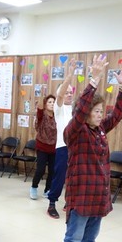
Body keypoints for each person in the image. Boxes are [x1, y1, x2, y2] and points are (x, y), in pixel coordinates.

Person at [57, 56, 122, 242]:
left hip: (98, 195)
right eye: (96, 111)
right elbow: (78, 111)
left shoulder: (99, 130)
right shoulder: (74, 132)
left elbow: (117, 115)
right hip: (81, 194)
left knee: (91, 237)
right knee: (73, 238)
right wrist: (94, 80)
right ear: (86, 113)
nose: (100, 115)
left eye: (101, 111)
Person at [47, 59, 76, 219]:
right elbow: (59, 94)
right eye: (67, 92)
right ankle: (52, 203)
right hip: (62, 147)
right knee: (59, 176)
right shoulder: (60, 109)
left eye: (72, 92)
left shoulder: (76, 108)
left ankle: (70, 202)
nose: (70, 94)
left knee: (74, 177)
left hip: (76, 149)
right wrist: (70, 76)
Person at [29, 94, 57, 200]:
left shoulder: (57, 116)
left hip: (54, 147)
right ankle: (34, 187)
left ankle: (47, 190)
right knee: (40, 169)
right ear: (45, 104)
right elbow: (39, 112)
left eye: (53, 102)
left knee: (52, 170)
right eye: (49, 102)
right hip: (42, 146)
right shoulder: (42, 115)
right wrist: (40, 104)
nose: (52, 104)